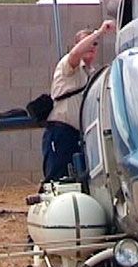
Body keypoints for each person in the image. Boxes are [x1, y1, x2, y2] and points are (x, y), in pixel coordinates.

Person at [42, 20, 116, 183]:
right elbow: (75, 55)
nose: (91, 47)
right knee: (57, 178)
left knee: (77, 181)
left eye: (95, 44)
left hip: (79, 135)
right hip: (61, 132)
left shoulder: (91, 74)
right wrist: (99, 32)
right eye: (86, 43)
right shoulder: (69, 65)